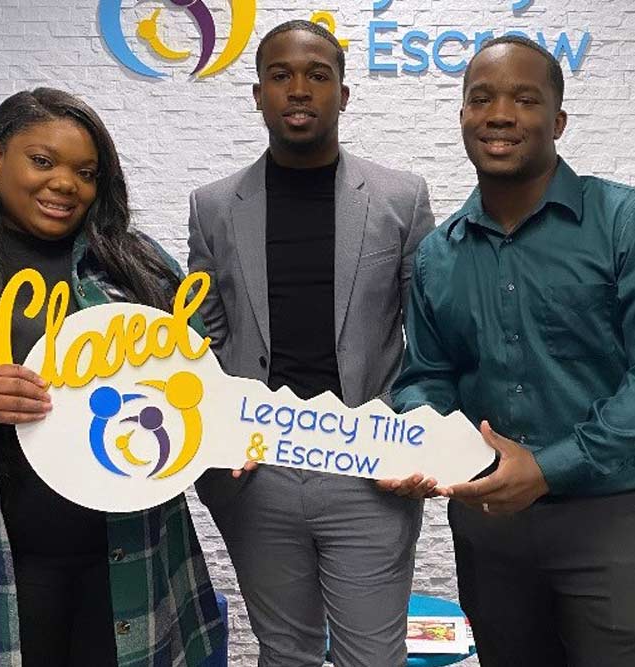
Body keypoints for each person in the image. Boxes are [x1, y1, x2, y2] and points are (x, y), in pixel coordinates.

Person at [0, 88, 224, 667]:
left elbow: (198, 380)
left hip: (127, 556)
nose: (66, 184)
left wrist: (228, 429)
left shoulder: (136, 264)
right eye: (43, 161)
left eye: (86, 172)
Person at [391, 36, 635, 666]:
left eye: (524, 99)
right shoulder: (437, 255)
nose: (500, 114)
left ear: (557, 121)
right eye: (481, 99)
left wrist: (549, 465)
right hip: (489, 528)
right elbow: (426, 375)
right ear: (462, 117)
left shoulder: (629, 222)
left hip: (612, 522)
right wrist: (424, 437)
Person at [187, 19, 435, 667]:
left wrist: (417, 438)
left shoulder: (400, 197)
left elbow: (430, 336)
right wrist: (213, 438)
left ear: (343, 95)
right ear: (258, 94)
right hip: (258, 473)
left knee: (372, 658)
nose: (299, 89)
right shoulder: (213, 206)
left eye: (317, 76)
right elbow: (203, 337)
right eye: (281, 75)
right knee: (286, 653)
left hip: (367, 470)